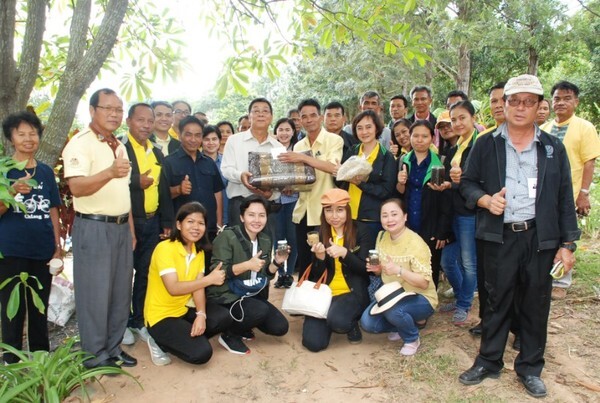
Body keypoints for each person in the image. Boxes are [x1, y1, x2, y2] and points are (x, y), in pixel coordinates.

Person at [458, 74, 580, 399]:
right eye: (514, 101)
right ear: (505, 104)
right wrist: (485, 200)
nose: (520, 107)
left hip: (541, 238)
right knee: (496, 301)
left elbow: (564, 199)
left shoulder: (553, 148)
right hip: (500, 236)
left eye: (529, 102)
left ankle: (529, 367)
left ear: (540, 107)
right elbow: (467, 184)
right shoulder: (486, 143)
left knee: (535, 304)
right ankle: (489, 361)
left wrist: (568, 244)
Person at [62, 88, 136, 369]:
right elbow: (77, 188)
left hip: (119, 228)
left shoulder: (119, 144)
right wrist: (109, 172)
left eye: (118, 109)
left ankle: (113, 348)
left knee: (119, 293)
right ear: (92, 110)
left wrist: (129, 229)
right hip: (93, 228)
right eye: (108, 108)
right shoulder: (79, 144)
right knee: (94, 293)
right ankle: (94, 355)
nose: (114, 114)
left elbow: (123, 191)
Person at [0, 111, 62, 364]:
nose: (28, 139)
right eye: (21, 134)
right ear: (11, 138)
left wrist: (57, 247)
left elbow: (53, 209)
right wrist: (11, 192)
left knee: (39, 307)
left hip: (42, 250)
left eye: (33, 133)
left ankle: (41, 359)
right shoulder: (3, 171)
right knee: (12, 309)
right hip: (11, 251)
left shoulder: (46, 172)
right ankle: (11, 360)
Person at [144, 202, 231, 365]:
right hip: (161, 316)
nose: (196, 227)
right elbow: (173, 288)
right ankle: (158, 341)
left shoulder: (198, 251)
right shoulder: (165, 248)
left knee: (223, 317)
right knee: (202, 353)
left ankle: (184, 334)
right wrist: (209, 279)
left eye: (201, 223)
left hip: (184, 309)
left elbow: (198, 287)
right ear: (179, 224)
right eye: (190, 222)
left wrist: (201, 315)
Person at [207, 195, 289, 355]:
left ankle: (245, 323)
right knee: (259, 310)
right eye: (251, 215)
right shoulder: (227, 237)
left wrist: (277, 262)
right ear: (241, 217)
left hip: (250, 294)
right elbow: (217, 275)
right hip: (227, 295)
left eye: (261, 215)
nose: (256, 220)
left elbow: (265, 274)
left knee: (280, 327)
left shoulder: (265, 239)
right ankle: (229, 335)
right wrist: (246, 265)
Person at [541, 81, 600, 300]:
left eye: (567, 98)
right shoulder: (545, 128)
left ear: (576, 101)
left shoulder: (585, 127)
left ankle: (562, 282)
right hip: (545, 194)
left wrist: (583, 193)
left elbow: (589, 162)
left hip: (571, 192)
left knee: (566, 235)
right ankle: (547, 277)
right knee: (548, 235)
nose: (561, 102)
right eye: (557, 98)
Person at [122, 103, 174, 344]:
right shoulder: (119, 149)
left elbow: (163, 188)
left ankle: (139, 320)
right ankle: (120, 323)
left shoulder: (155, 151)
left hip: (152, 223)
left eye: (149, 121)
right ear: (128, 120)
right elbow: (113, 180)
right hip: (127, 223)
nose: (145, 125)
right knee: (122, 275)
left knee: (145, 273)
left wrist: (166, 221)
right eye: (140, 120)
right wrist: (135, 180)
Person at [360, 198, 438, 356]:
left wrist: (399, 270)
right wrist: (377, 269)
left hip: (420, 297)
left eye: (394, 214)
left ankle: (411, 338)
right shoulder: (382, 237)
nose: (389, 219)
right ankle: (403, 324)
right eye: (385, 215)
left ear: (405, 216)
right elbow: (381, 273)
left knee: (394, 311)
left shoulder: (416, 243)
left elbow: (423, 283)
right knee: (368, 324)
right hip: (391, 295)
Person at [302, 189, 373, 352]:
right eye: (329, 210)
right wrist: (319, 258)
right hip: (324, 293)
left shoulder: (361, 230)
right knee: (313, 343)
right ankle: (329, 316)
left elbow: (365, 269)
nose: (334, 216)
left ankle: (350, 322)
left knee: (338, 321)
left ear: (348, 209)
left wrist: (345, 254)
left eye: (339, 210)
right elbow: (315, 276)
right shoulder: (318, 232)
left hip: (351, 292)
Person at [279, 99, 343, 276]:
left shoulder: (334, 140)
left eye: (313, 115)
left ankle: (326, 298)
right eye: (304, 117)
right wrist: (291, 186)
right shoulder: (299, 146)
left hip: (325, 212)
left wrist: (304, 158)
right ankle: (305, 295)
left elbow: (334, 169)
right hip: (302, 211)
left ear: (320, 117)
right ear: (300, 120)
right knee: (306, 260)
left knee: (324, 260)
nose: (309, 120)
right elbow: (302, 180)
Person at [396, 120, 452, 289]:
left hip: (430, 224)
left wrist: (442, 231)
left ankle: (428, 302)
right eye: (415, 135)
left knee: (430, 264)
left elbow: (447, 200)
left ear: (432, 138)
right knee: (407, 264)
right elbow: (397, 194)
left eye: (424, 136)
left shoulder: (441, 162)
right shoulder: (402, 161)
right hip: (407, 223)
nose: (419, 140)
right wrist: (400, 183)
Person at [438, 100, 479, 325]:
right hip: (453, 212)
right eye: (454, 119)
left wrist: (453, 184)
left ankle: (464, 304)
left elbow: (476, 180)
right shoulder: (456, 146)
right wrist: (446, 184)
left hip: (469, 213)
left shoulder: (479, 144)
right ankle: (461, 294)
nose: (457, 123)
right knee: (448, 260)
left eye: (462, 118)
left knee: (469, 262)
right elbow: (455, 180)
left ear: (473, 118)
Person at [335, 110, 397, 241]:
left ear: (377, 128)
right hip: (348, 214)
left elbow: (386, 191)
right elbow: (339, 182)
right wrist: (338, 173)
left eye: (368, 127)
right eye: (359, 128)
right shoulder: (352, 151)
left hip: (371, 218)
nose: (364, 132)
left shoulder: (386, 156)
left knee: (370, 257)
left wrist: (361, 184)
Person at [162, 116, 224, 241]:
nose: (193, 139)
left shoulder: (209, 163)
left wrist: (218, 222)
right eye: (188, 135)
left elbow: (217, 193)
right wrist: (178, 189)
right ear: (180, 135)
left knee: (207, 260)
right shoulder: (169, 162)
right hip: (182, 230)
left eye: (198, 135)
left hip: (208, 227)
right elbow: (162, 195)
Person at [221, 98, 281, 228]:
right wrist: (240, 176)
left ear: (271, 117)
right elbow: (226, 169)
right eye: (256, 111)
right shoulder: (234, 140)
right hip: (239, 204)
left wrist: (271, 194)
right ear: (249, 116)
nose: (260, 114)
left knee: (266, 245)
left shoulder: (278, 147)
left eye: (265, 111)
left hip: (266, 205)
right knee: (239, 246)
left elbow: (279, 179)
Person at [272, 118, 299, 288]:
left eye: (287, 129)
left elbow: (304, 174)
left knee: (292, 239)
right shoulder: (270, 150)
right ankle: (280, 273)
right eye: (280, 129)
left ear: (293, 132)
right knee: (278, 239)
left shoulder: (299, 150)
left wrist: (293, 186)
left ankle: (289, 274)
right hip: (275, 201)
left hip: (294, 201)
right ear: (276, 132)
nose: (284, 133)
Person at [202, 125, 229, 227]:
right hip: (204, 216)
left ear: (219, 140)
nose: (211, 143)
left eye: (214, 139)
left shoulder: (227, 162)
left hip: (227, 214)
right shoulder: (195, 162)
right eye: (206, 139)